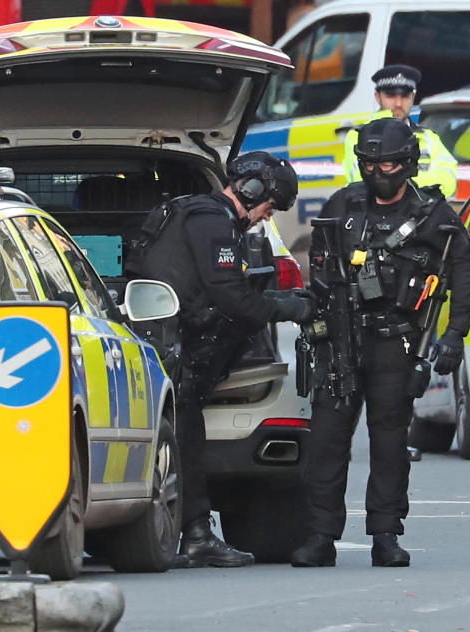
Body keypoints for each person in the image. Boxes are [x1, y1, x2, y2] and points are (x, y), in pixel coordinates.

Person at [291, 118, 470, 568]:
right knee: (328, 440)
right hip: (340, 340)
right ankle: (320, 536)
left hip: (395, 344)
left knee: (390, 442)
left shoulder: (434, 215)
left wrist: (454, 334)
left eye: (390, 163)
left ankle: (385, 535)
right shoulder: (343, 204)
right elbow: (319, 266)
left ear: (408, 163)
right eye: (370, 163)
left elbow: (465, 271)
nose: (380, 172)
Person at [131, 151, 316, 568]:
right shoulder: (213, 222)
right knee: (186, 435)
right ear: (252, 191)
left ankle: (191, 532)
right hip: (173, 349)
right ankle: (195, 534)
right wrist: (289, 307)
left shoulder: (191, 213)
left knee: (184, 432)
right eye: (270, 207)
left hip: (164, 343)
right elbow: (231, 296)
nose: (267, 218)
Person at [342, 64, 458, 199]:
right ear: (378, 97)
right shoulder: (357, 136)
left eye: (405, 96)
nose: (398, 103)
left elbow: (448, 182)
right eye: (391, 95)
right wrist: (418, 184)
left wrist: (395, 184)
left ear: (413, 97)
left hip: (420, 216)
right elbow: (361, 182)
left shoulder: (428, 137)